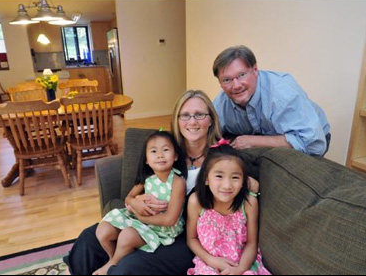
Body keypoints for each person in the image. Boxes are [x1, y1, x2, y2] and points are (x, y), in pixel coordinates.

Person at [63, 90, 258, 275]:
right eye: (185, 115)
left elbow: (247, 183)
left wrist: (247, 182)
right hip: (152, 223)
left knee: (129, 267)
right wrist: (134, 201)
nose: (192, 121)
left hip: (187, 237)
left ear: (211, 119)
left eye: (199, 114)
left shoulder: (221, 157)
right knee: (89, 237)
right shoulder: (166, 150)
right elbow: (140, 183)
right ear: (177, 120)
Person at [93, 131, 188, 275]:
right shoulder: (148, 179)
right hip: (141, 221)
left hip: (163, 230)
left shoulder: (177, 182)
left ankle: (112, 265)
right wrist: (136, 204)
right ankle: (114, 260)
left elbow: (170, 219)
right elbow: (129, 198)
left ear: (175, 156)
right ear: (146, 159)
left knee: (126, 236)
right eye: (154, 151)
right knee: (103, 231)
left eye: (166, 150)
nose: (160, 155)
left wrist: (142, 217)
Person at [212, 45, 331, 156]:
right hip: (261, 136)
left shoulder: (282, 94)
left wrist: (254, 141)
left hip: (310, 136)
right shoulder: (221, 102)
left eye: (242, 75)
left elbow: (315, 145)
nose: (236, 85)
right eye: (227, 80)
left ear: (255, 70)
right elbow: (207, 131)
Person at [187, 141, 271, 275]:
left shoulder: (249, 203)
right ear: (206, 178)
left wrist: (240, 269)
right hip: (209, 264)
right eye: (219, 176)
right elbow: (191, 239)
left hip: (243, 264)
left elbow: (251, 243)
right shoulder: (196, 202)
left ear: (244, 181)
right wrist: (211, 260)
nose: (227, 185)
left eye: (235, 177)